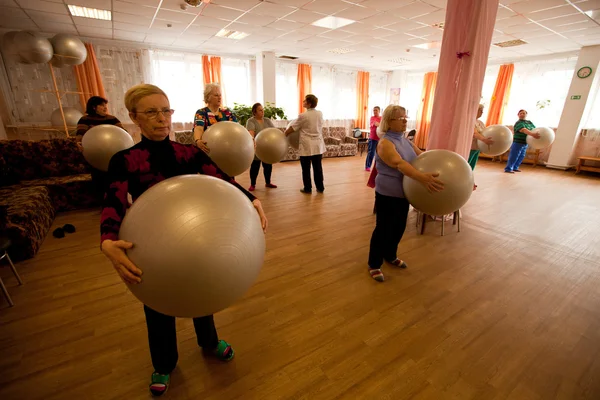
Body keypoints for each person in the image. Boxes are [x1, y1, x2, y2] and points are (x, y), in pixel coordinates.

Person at [100, 84, 268, 397]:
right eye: (151, 112)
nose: (162, 118)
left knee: (201, 283)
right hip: (151, 243)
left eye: (166, 110)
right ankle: (164, 362)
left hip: (196, 236)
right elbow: (114, 200)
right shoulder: (125, 160)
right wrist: (107, 239)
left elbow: (222, 179)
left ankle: (208, 341)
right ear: (134, 117)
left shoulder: (188, 153)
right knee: (158, 302)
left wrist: (251, 199)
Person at [368, 105, 444, 282]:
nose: (405, 120)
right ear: (389, 121)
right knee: (383, 229)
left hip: (404, 193)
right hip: (387, 193)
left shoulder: (405, 140)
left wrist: (443, 167)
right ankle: (374, 263)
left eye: (405, 117)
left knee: (399, 227)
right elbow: (399, 164)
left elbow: (422, 156)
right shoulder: (385, 142)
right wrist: (422, 178)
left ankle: (390, 255)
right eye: (400, 118)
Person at [284, 94, 326, 194]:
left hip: (307, 146)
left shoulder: (303, 116)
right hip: (317, 145)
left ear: (309, 103)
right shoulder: (320, 113)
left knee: (306, 169)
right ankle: (320, 188)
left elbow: (293, 128)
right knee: (318, 168)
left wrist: (283, 134)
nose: (303, 102)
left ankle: (308, 188)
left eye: (305, 101)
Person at [193, 83, 237, 153]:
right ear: (208, 97)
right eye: (216, 95)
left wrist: (249, 138)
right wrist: (198, 140)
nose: (219, 97)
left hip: (227, 150)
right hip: (209, 150)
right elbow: (198, 128)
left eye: (220, 95)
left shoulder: (227, 113)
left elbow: (237, 128)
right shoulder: (201, 112)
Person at [246, 103, 278, 191]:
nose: (262, 111)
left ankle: (268, 182)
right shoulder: (251, 121)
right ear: (254, 112)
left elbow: (274, 132)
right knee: (255, 167)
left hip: (267, 148)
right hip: (256, 147)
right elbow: (251, 133)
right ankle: (253, 184)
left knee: (268, 166)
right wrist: (253, 140)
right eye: (260, 110)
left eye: (262, 109)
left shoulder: (267, 120)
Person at [505, 109, 540, 173]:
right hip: (518, 142)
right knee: (514, 155)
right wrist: (533, 134)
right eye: (520, 113)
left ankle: (515, 167)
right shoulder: (518, 122)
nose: (522, 114)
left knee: (521, 156)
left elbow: (534, 129)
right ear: (518, 115)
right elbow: (523, 130)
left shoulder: (529, 122)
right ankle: (508, 168)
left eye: (524, 113)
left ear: (526, 114)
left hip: (525, 142)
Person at [470, 104, 494, 190]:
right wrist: (484, 140)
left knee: (472, 166)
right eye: (481, 111)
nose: (482, 113)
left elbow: (485, 132)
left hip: (477, 148)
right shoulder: (470, 120)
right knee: (467, 165)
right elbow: (475, 133)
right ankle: (467, 182)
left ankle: (470, 182)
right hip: (470, 147)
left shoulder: (480, 122)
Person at [365, 106, 381, 171]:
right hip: (372, 138)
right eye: (374, 110)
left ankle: (377, 167)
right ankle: (367, 166)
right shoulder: (372, 118)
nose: (374, 112)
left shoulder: (381, 118)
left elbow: (382, 125)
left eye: (376, 110)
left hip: (379, 138)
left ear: (379, 111)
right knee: (371, 153)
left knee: (379, 154)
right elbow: (374, 124)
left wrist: (379, 124)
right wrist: (378, 124)